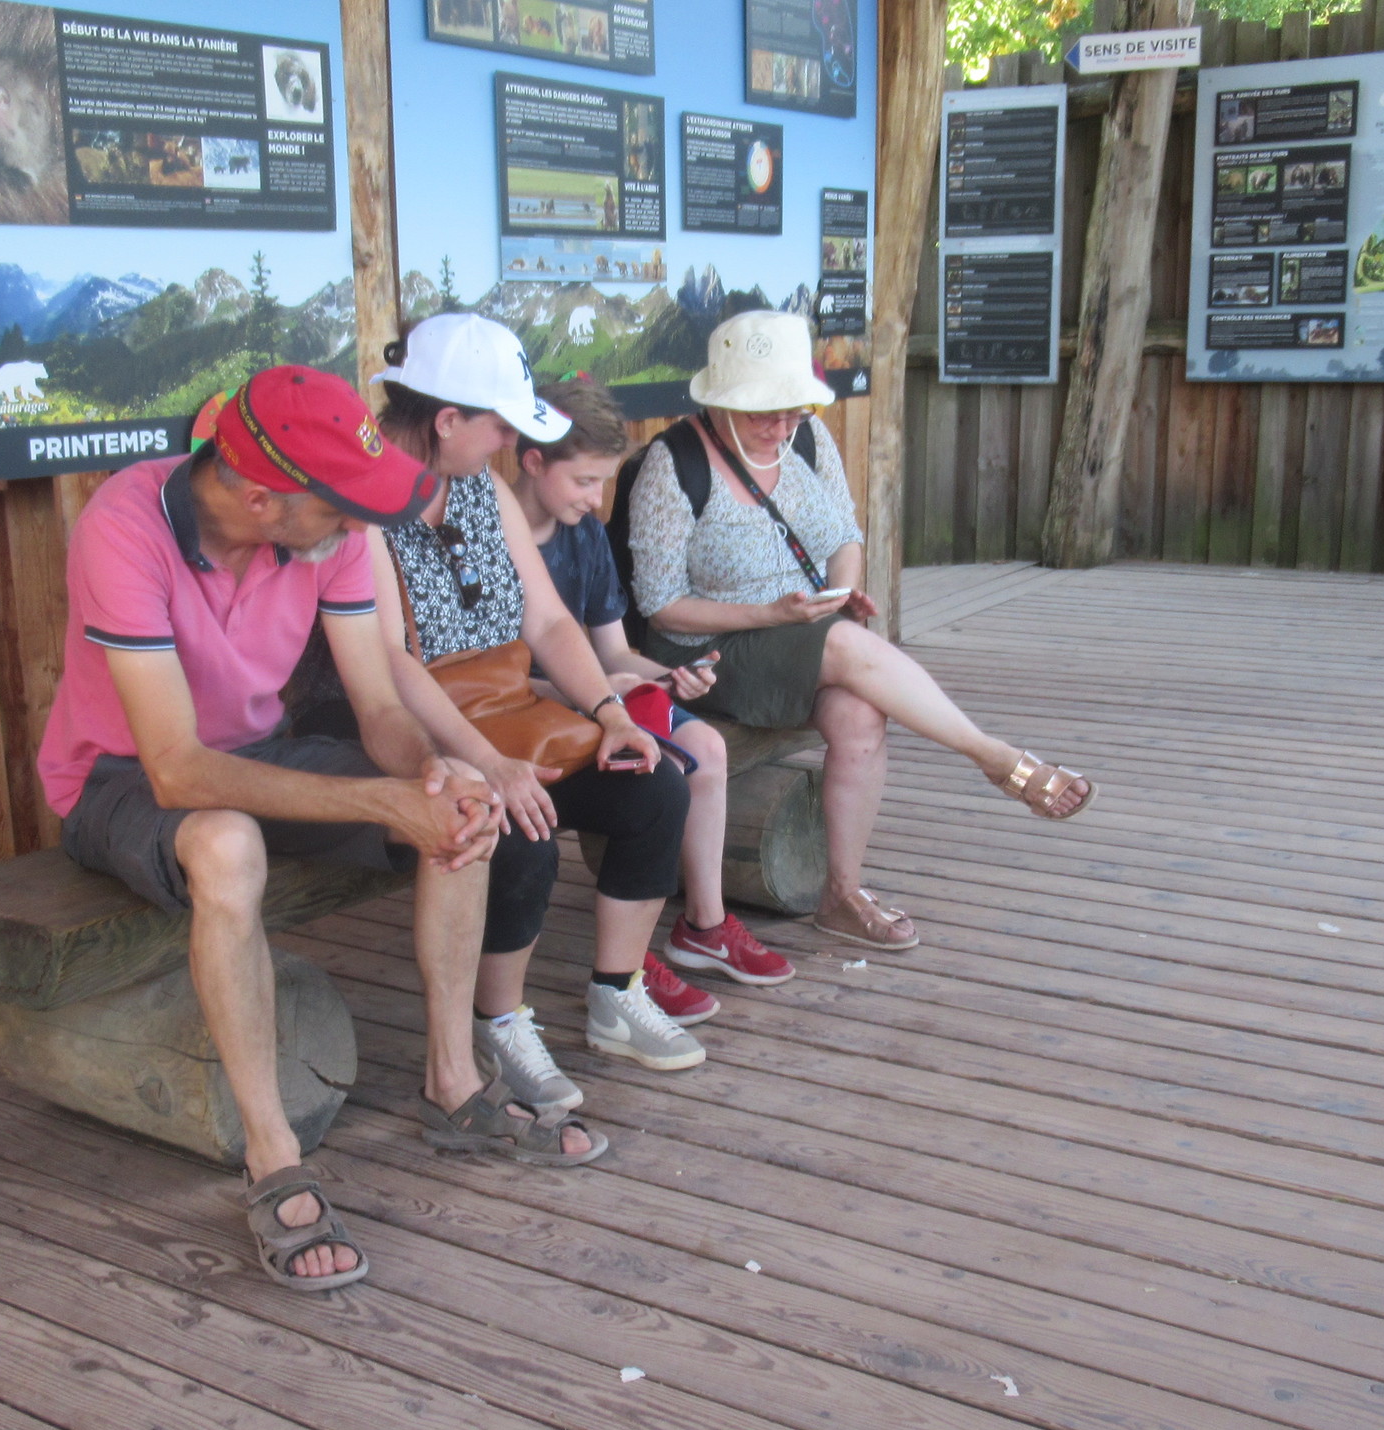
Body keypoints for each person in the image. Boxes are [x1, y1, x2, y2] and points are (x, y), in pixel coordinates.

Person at [39, 365, 511, 1294]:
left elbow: (379, 705)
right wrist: (381, 803)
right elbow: (176, 770)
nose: (359, 529)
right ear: (261, 499)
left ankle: (454, 1082)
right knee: (226, 844)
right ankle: (273, 1156)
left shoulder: (323, 532)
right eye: (341, 510)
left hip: (255, 752)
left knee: (455, 803)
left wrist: (428, 771)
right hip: (117, 779)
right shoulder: (123, 526)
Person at [623, 310, 1094, 952]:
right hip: (705, 654)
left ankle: (841, 895)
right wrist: (776, 616)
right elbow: (662, 607)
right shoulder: (673, 462)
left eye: (791, 411)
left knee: (859, 715)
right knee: (846, 646)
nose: (780, 427)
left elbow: (844, 532)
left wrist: (839, 595)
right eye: (762, 414)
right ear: (722, 400)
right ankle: (994, 757)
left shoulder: (809, 438)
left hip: (802, 631)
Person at [368, 314, 701, 1133]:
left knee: (653, 783)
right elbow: (391, 667)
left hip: (511, 710)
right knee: (517, 827)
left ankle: (616, 993)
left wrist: (611, 714)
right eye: (501, 426)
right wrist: (488, 761)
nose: (511, 443)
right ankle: (499, 1023)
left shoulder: (480, 487)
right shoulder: (363, 501)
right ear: (448, 420)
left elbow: (549, 621)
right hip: (412, 731)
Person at [507, 377, 793, 1010]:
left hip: (593, 701)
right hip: (526, 717)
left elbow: (613, 653)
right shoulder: (489, 538)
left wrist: (664, 676)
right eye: (585, 481)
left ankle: (705, 926)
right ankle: (630, 958)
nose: (597, 499)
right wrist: (590, 692)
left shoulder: (583, 534)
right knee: (653, 773)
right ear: (532, 462)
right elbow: (484, 682)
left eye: (604, 481)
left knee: (706, 747)